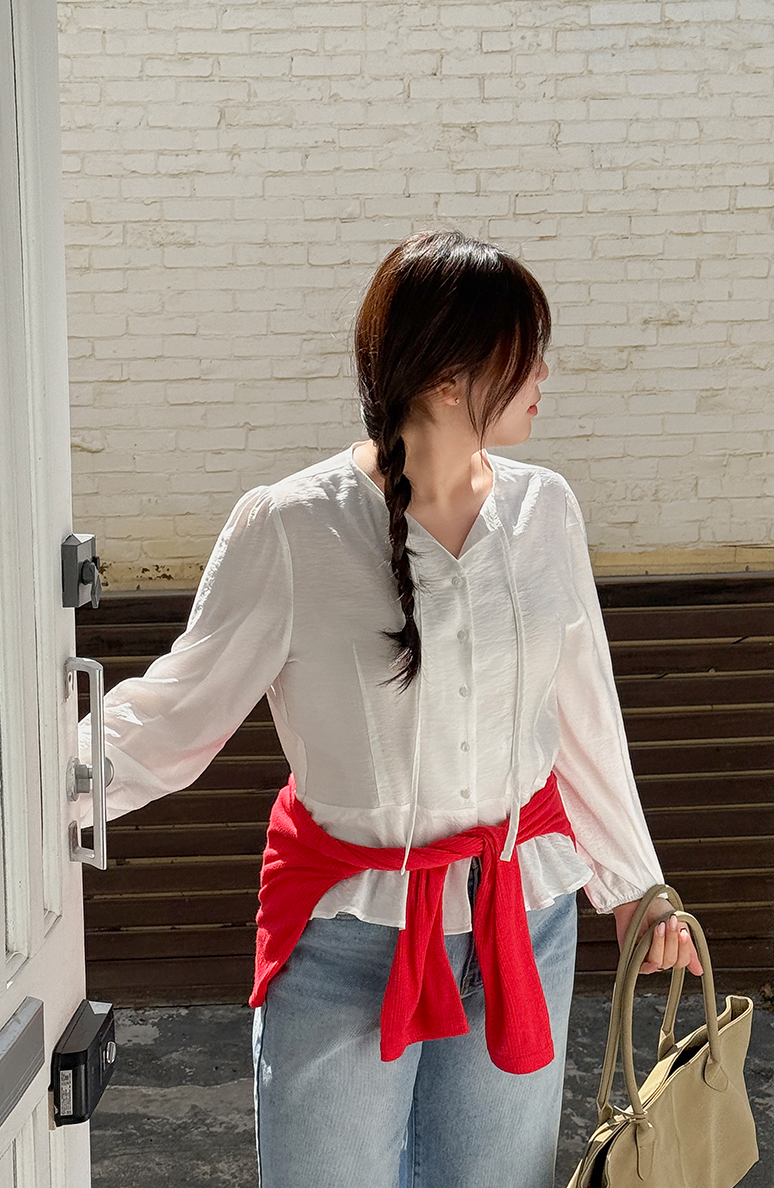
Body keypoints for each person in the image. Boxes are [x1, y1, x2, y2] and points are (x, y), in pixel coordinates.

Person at [76, 230, 702, 1188]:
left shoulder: (547, 510)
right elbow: (175, 714)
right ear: (448, 380)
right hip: (349, 935)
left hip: (519, 920)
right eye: (523, 351)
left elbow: (584, 715)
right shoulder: (292, 524)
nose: (544, 373)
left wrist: (635, 886)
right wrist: (19, 796)